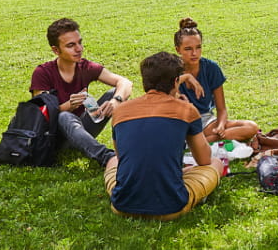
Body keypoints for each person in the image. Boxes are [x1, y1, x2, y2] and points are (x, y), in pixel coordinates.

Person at [104, 51, 220, 220]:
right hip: (171, 207)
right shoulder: (186, 110)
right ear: (175, 82)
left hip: (123, 205)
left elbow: (121, 158)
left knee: (113, 161)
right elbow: (204, 160)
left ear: (145, 81)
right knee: (215, 163)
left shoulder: (120, 111)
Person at [29, 18, 134, 167]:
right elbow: (41, 115)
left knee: (113, 93)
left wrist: (116, 100)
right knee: (65, 116)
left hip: (81, 131)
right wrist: (68, 105)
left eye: (79, 42)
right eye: (71, 45)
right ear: (56, 50)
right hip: (55, 140)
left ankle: (132, 147)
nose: (79, 49)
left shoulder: (85, 66)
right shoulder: (43, 73)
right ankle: (107, 157)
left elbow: (125, 83)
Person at [173, 18, 260, 143]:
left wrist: (220, 126)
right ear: (178, 50)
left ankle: (197, 143)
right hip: (182, 123)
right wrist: (186, 77)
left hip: (207, 122)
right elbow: (162, 91)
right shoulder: (171, 68)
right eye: (188, 49)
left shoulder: (210, 68)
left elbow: (221, 109)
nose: (194, 53)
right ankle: (199, 142)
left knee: (251, 127)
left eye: (198, 47)